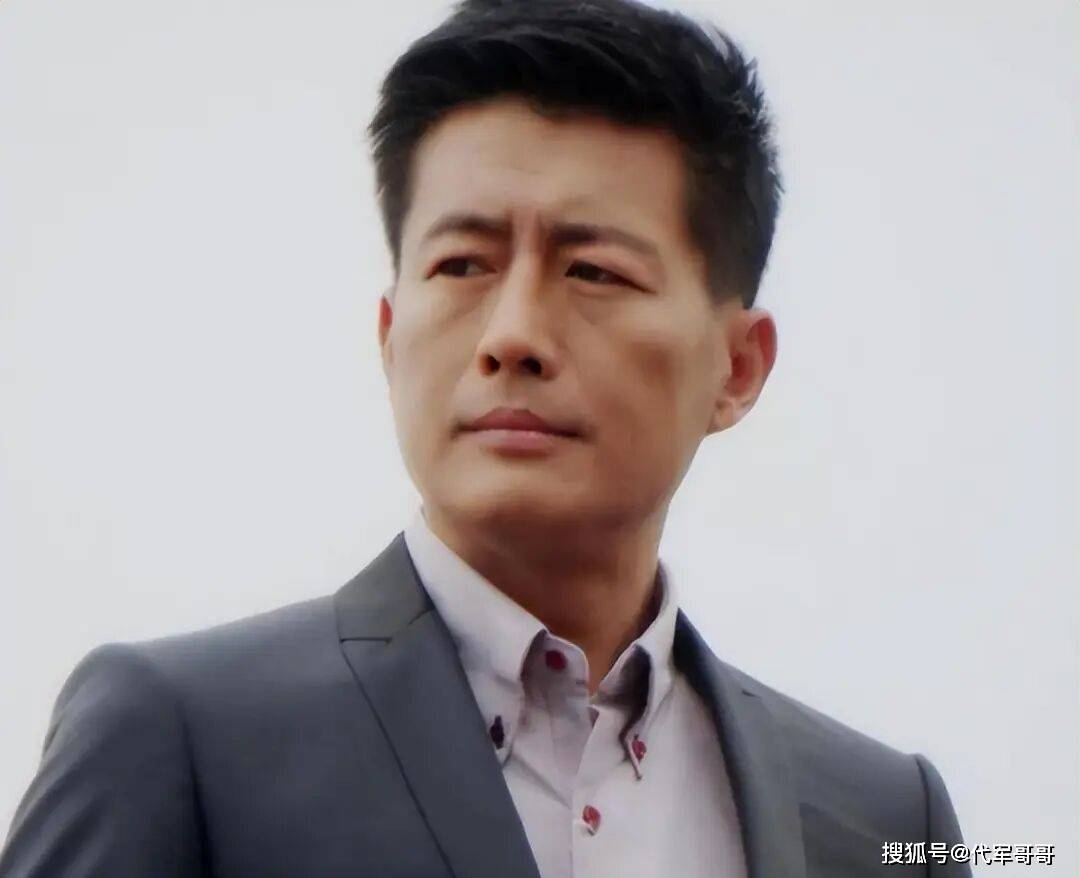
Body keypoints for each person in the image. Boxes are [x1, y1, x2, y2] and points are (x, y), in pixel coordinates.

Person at [0, 1, 971, 875]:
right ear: (389, 335)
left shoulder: (884, 820)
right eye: (462, 264)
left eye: (593, 272)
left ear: (739, 366)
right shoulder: (183, 737)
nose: (512, 335)